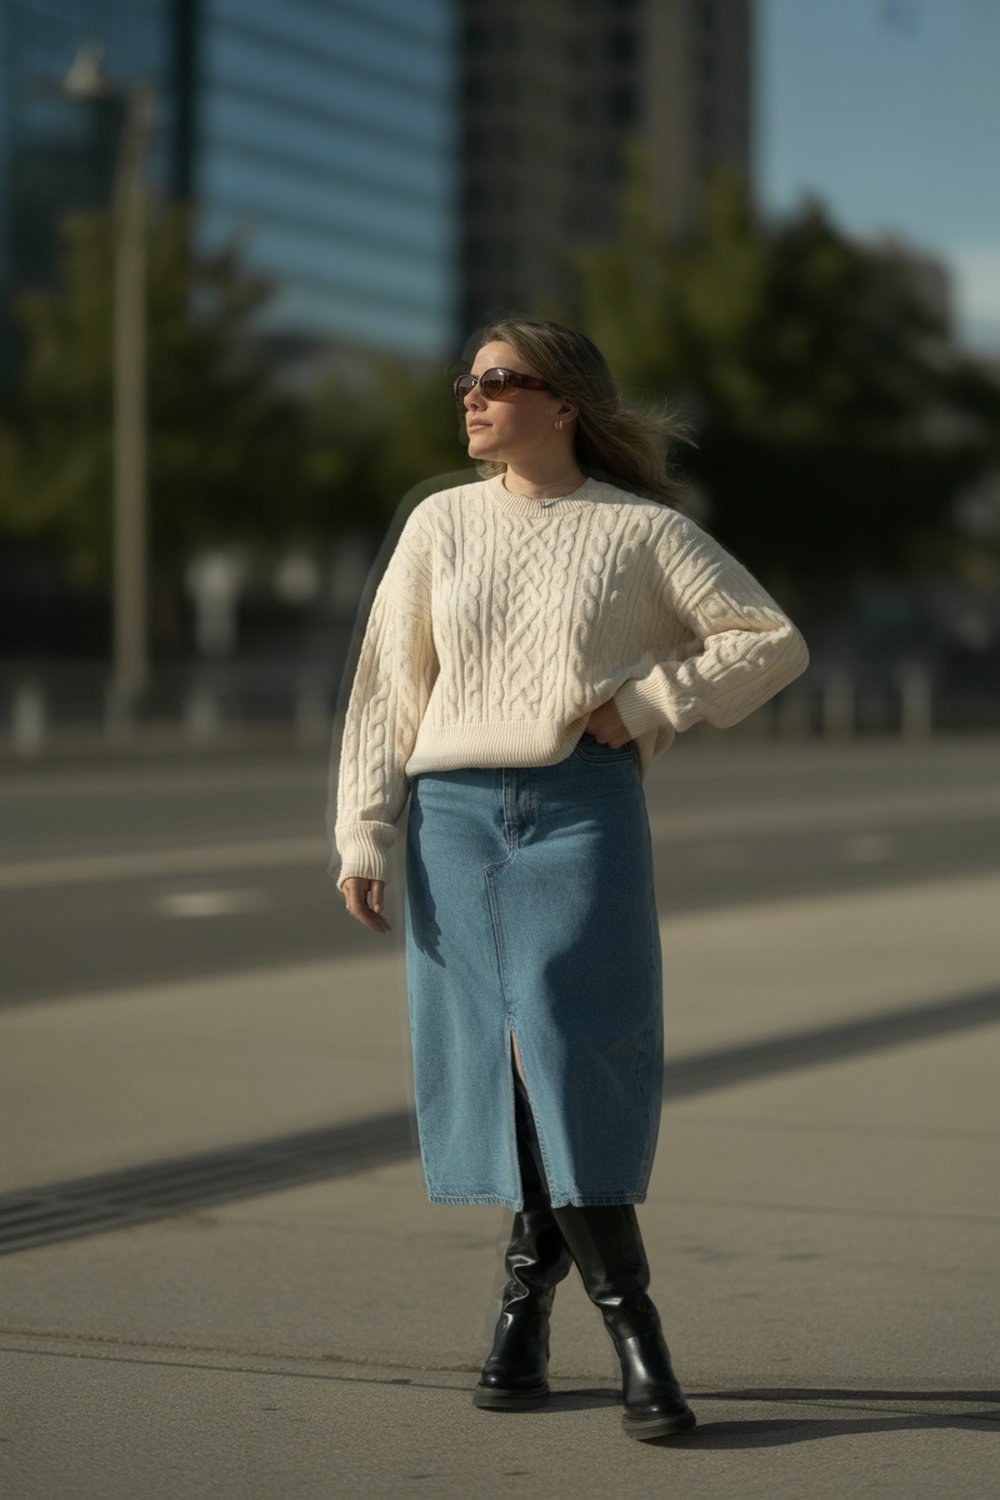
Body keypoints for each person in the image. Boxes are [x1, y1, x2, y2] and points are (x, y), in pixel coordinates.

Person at [329, 317, 809, 1442]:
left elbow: (769, 639)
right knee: (499, 1069)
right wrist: (365, 830)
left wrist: (644, 704)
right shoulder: (440, 520)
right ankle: (532, 1311)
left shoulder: (638, 532)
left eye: (498, 380)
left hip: (579, 809)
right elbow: (385, 683)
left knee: (570, 1054)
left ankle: (615, 1325)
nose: (471, 396)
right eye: (468, 380)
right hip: (451, 817)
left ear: (564, 403)